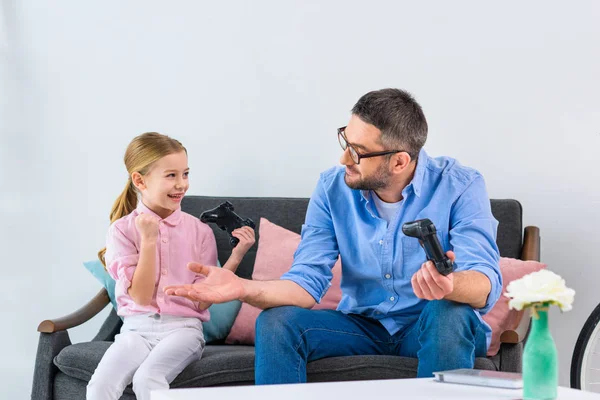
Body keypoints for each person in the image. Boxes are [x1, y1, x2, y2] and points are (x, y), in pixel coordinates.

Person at [165, 88, 502, 384]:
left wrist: (450, 285)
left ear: (399, 162)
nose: (344, 158)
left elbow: (485, 278)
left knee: (449, 312)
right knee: (277, 322)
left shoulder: (460, 185)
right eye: (345, 140)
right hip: (361, 325)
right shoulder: (332, 188)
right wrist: (243, 288)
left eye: (357, 151)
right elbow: (306, 281)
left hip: (431, 326)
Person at [87, 132, 255, 400]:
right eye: (171, 176)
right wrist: (149, 240)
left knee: (148, 379)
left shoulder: (199, 231)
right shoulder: (122, 230)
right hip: (135, 329)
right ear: (139, 180)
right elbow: (140, 297)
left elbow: (202, 302)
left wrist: (236, 255)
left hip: (183, 330)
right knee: (99, 387)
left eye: (185, 174)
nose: (182, 185)